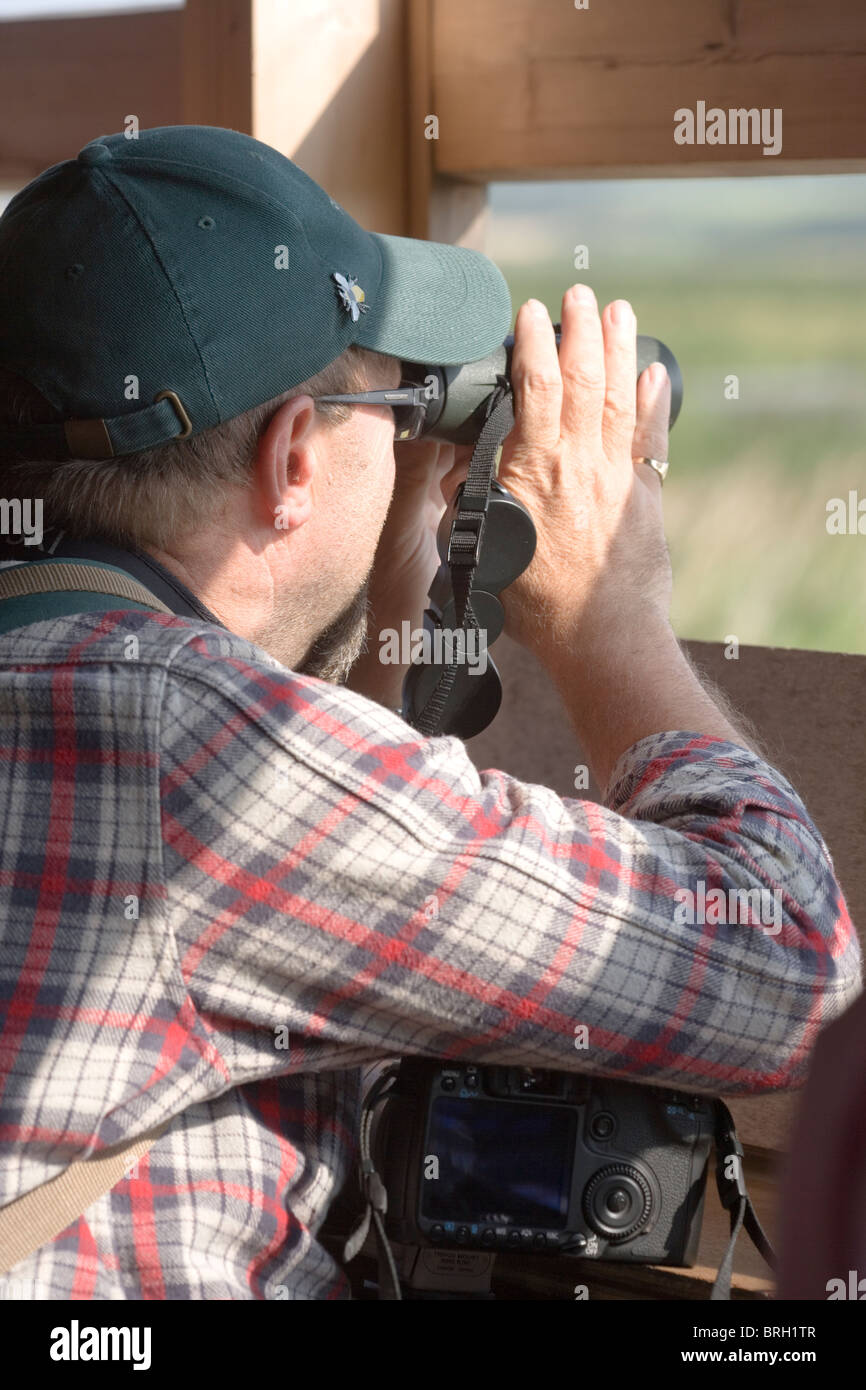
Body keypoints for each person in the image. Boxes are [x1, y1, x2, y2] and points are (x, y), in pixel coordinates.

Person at [0, 125, 859, 1301]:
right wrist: (609, 609)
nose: (414, 438)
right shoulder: (201, 760)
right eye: (394, 403)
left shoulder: (113, 710)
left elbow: (308, 887)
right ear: (293, 458)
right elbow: (791, 965)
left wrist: (395, 574)